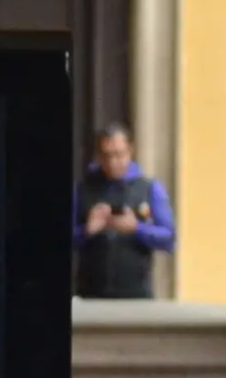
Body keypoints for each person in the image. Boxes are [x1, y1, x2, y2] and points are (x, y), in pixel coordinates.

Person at [75, 124, 176, 299]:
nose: (113, 162)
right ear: (98, 156)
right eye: (106, 156)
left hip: (136, 296)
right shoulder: (82, 190)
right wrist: (87, 230)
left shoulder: (150, 189)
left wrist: (137, 228)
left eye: (119, 155)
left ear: (130, 150)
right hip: (90, 296)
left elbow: (169, 239)